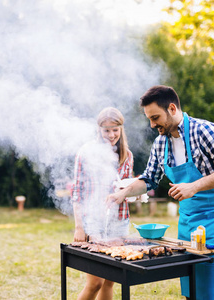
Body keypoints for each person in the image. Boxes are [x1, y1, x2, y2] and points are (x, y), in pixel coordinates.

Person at [107, 85, 214, 300]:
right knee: (191, 287)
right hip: (188, 222)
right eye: (149, 119)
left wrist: (194, 186)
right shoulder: (161, 143)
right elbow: (149, 179)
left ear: (172, 108)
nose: (152, 125)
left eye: (155, 117)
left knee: (212, 290)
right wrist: (123, 194)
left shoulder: (205, 131)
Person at [73, 107, 134, 300]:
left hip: (119, 220)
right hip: (94, 222)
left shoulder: (127, 155)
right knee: (95, 282)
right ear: (99, 129)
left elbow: (127, 187)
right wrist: (79, 227)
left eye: (115, 129)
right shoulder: (86, 152)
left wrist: (131, 193)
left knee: (110, 280)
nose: (111, 134)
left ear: (121, 129)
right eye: (106, 130)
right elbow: (77, 191)